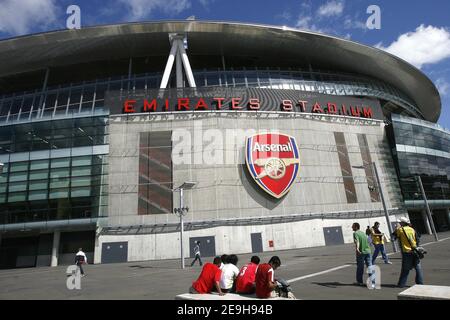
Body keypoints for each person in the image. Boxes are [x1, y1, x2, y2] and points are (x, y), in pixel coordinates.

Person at [393, 217, 424, 288]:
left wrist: (397, 228)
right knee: (418, 267)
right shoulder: (412, 229)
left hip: (406, 251)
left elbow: (393, 237)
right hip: (415, 250)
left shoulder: (400, 230)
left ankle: (401, 284)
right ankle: (420, 283)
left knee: (405, 269)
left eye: (400, 222)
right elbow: (417, 238)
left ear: (403, 223)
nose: (399, 223)